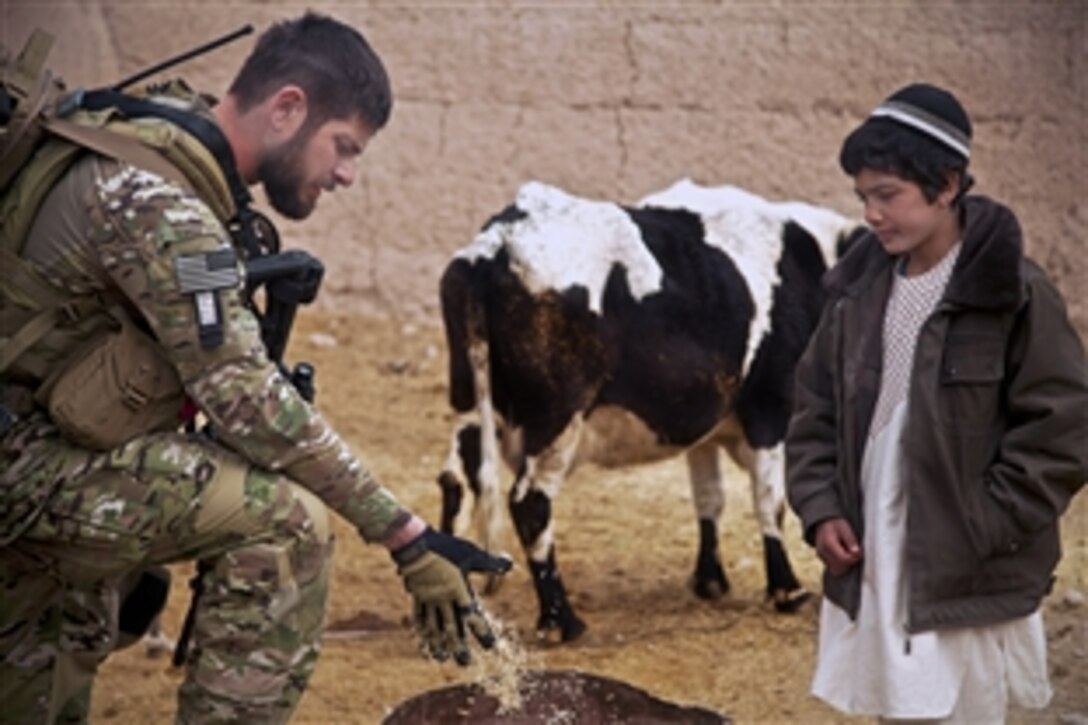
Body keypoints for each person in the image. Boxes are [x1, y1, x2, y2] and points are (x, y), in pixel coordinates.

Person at [0, 13, 509, 724]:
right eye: (344, 146)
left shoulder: (152, 134)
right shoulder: (162, 203)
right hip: (26, 466)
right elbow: (248, 401)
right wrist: (405, 533)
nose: (346, 174)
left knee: (49, 651)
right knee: (286, 524)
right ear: (288, 109)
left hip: (33, 440)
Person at [785, 82, 1087, 723]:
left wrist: (986, 522)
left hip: (965, 566)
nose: (871, 214)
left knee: (964, 710)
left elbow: (1062, 428)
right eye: (863, 197)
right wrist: (821, 507)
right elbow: (814, 411)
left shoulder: (1015, 296)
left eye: (887, 195)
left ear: (947, 185)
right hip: (877, 550)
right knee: (897, 706)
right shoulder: (854, 295)